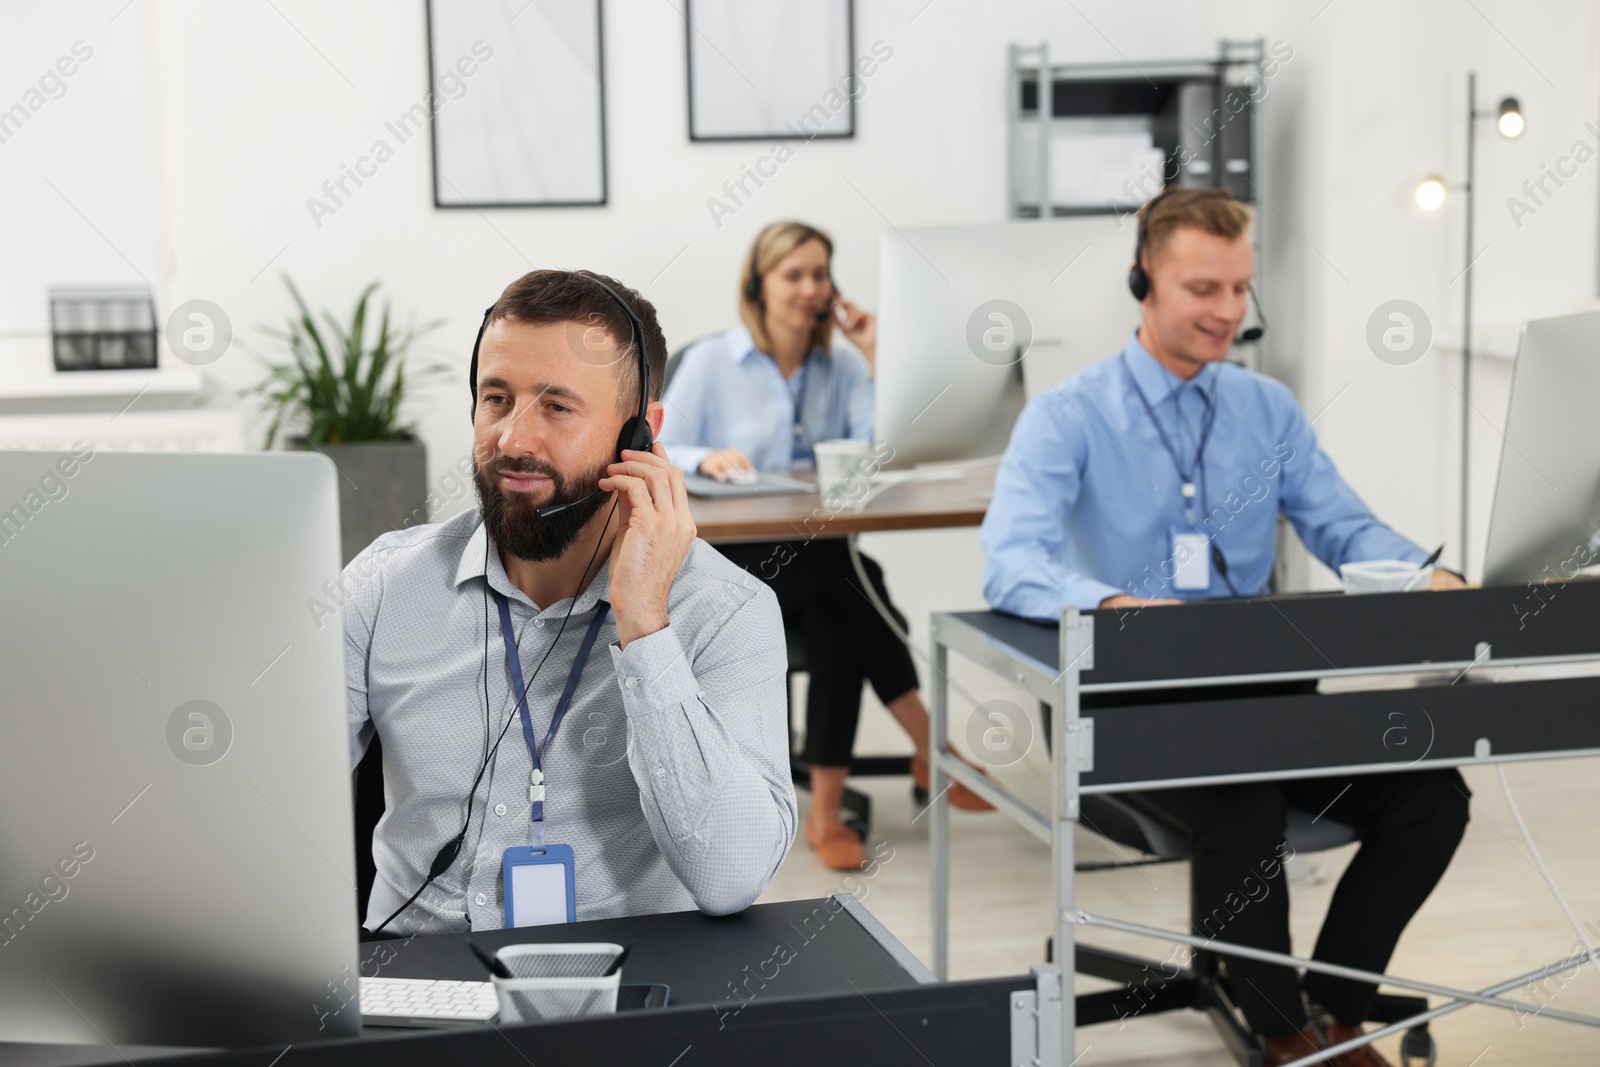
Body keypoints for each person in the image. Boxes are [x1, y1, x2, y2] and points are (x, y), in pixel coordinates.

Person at [980, 189, 1470, 1067]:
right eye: (1205, 288)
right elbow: (1010, 561)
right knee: (1240, 800)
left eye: (1241, 289)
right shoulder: (1069, 414)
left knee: (1431, 795)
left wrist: (1423, 573)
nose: (1229, 311)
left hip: (1267, 695)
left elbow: (1345, 529)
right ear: (1143, 281)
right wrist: (1115, 606)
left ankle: (1339, 1002)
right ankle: (1286, 1033)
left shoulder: (1267, 410)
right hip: (1128, 706)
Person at [342, 269, 796, 936]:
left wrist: (645, 624)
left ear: (640, 434)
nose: (514, 439)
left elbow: (732, 876)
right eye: (497, 398)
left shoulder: (727, 612)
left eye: (556, 406)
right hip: (412, 990)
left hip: (620, 998)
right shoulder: (387, 585)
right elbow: (263, 798)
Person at [660, 220, 993, 873]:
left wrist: (873, 354)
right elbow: (661, 444)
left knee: (840, 617)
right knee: (847, 576)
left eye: (821, 275)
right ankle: (931, 748)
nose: (811, 288)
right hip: (733, 567)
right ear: (759, 285)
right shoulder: (711, 363)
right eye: (794, 274)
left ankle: (825, 813)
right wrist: (707, 456)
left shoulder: (838, 367)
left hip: (816, 562)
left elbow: (882, 455)